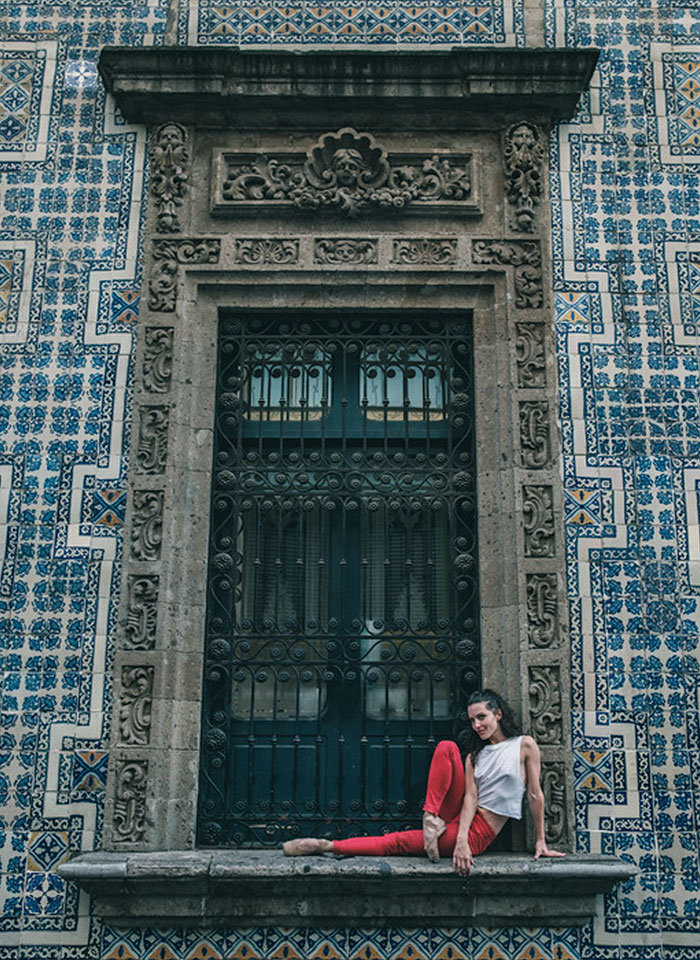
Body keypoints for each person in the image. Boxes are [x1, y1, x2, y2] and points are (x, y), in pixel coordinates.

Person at [282, 688, 565, 875]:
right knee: (446, 747)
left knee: (397, 843)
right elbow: (469, 799)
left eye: (483, 717)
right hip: (458, 816)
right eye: (473, 720)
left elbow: (535, 795)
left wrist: (540, 840)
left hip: (480, 832)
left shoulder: (524, 745)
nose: (477, 725)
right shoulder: (475, 755)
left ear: (498, 714)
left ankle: (327, 846)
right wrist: (448, 825)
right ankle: (430, 818)